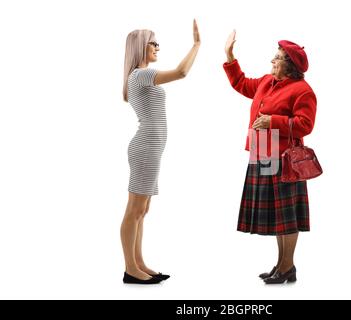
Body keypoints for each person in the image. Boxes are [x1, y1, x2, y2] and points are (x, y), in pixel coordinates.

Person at [223, 30, 317, 284]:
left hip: (285, 158)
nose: (272, 61)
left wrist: (272, 121)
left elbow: (305, 124)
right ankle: (282, 265)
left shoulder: (303, 90)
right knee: (279, 215)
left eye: (277, 58)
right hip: (262, 151)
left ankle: (288, 266)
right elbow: (241, 83)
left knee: (289, 214)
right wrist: (230, 56)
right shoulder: (266, 81)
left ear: (290, 65)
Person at [120, 20, 201, 284]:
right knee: (134, 210)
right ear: (140, 47)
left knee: (142, 210)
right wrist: (197, 45)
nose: (157, 47)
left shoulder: (140, 76)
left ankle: (139, 263)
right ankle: (131, 269)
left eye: (157, 42)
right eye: (153, 43)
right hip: (145, 148)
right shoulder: (140, 75)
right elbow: (181, 72)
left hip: (151, 148)